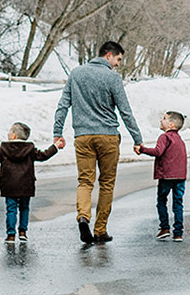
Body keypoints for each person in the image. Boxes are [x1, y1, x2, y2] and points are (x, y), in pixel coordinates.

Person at [53, 41, 142, 244]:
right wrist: (137, 139)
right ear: (108, 55)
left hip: (82, 137)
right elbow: (125, 111)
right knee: (106, 184)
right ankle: (100, 230)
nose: (118, 64)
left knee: (85, 181)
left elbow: (63, 105)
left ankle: (83, 216)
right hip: (108, 137)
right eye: (118, 59)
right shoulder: (112, 78)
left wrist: (57, 132)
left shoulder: (76, 74)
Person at [0, 122, 58, 243]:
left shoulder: (4, 149)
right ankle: (23, 232)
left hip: (9, 185)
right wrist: (55, 147)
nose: (8, 133)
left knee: (11, 209)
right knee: (24, 208)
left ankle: (11, 235)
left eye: (10, 131)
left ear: (14, 136)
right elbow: (44, 155)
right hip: (26, 185)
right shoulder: (30, 149)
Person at [138, 111, 188, 242]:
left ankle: (164, 228)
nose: (161, 120)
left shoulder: (164, 137)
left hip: (166, 176)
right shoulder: (180, 140)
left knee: (161, 201)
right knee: (178, 203)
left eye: (164, 119)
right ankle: (178, 233)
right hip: (180, 177)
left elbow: (157, 152)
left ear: (171, 124)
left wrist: (142, 149)